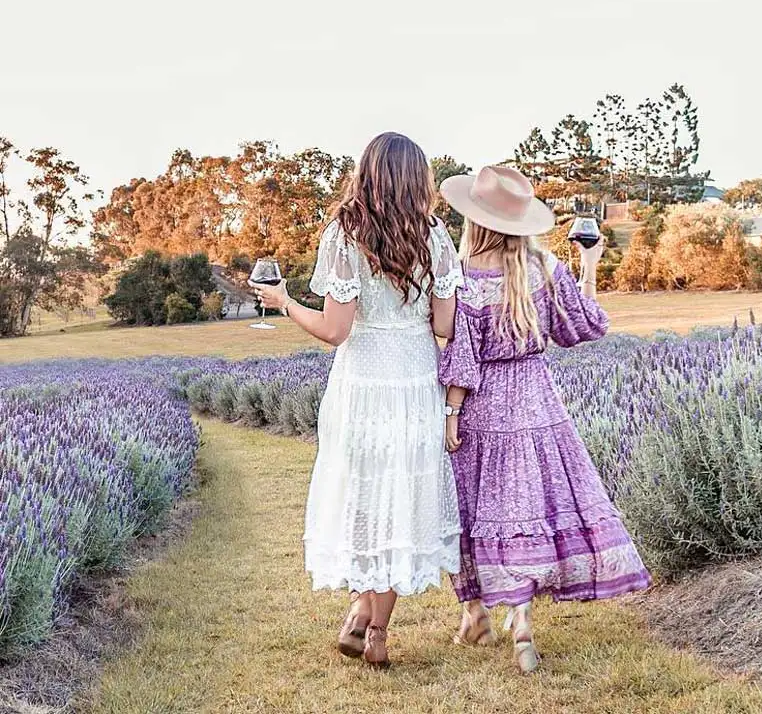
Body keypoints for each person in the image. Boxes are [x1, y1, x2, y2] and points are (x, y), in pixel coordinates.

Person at [251, 132, 463, 669]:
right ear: (418, 179)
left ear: (366, 174)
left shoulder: (344, 234)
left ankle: (361, 612)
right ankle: (375, 629)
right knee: (401, 500)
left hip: (362, 386)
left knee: (366, 498)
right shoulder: (435, 235)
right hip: (415, 385)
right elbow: (444, 325)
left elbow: (334, 330)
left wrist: (283, 302)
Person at [437, 165, 651, 675]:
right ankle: (519, 627)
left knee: (477, 509)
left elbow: (462, 358)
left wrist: (451, 413)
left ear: (475, 220)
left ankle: (478, 613)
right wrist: (589, 265)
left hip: (483, 406)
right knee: (530, 505)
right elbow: (585, 327)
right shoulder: (544, 267)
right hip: (538, 403)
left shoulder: (463, 276)